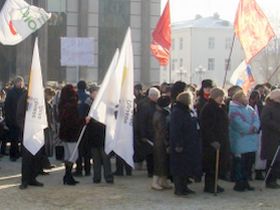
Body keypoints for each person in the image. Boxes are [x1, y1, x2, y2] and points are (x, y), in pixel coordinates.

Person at [170, 91, 201, 196]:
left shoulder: (187, 111)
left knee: (186, 166)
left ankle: (184, 186)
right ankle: (179, 188)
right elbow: (176, 129)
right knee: (179, 167)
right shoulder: (178, 112)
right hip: (181, 143)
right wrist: (178, 144)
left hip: (189, 143)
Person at [200, 87, 230, 194]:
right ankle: (209, 185)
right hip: (212, 142)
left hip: (221, 139)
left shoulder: (219, 107)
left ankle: (215, 183)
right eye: (221, 96)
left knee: (218, 164)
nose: (223, 98)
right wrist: (212, 140)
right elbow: (206, 127)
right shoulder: (208, 108)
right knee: (211, 165)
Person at [58, 84, 89, 185]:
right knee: (73, 155)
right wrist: (84, 120)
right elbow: (74, 121)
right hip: (72, 133)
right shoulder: (71, 106)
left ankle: (67, 176)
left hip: (65, 133)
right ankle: (68, 175)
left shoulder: (62, 104)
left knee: (68, 155)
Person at [229, 91, 260, 191]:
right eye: (244, 97)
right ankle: (239, 183)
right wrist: (249, 129)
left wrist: (255, 127)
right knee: (240, 164)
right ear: (238, 98)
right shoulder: (233, 110)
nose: (247, 98)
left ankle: (246, 181)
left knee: (248, 163)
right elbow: (237, 123)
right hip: (240, 141)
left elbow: (256, 119)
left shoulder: (250, 109)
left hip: (251, 141)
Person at [85, 86, 114, 183]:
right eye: (93, 92)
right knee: (96, 159)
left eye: (95, 92)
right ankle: (96, 177)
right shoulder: (88, 104)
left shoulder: (104, 104)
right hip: (93, 135)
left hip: (103, 134)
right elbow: (84, 117)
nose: (94, 94)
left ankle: (108, 176)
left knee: (105, 158)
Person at [16, 90, 43, 189]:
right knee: (27, 158)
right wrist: (26, 128)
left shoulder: (39, 97)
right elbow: (19, 116)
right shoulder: (24, 98)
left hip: (37, 132)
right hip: (27, 133)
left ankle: (33, 178)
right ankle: (25, 180)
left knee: (36, 156)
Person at [137, 87, 160, 177]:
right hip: (148, 133)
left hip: (153, 132)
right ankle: (151, 172)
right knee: (150, 154)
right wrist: (143, 135)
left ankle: (153, 171)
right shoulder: (145, 106)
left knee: (154, 154)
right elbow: (142, 121)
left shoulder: (152, 104)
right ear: (152, 96)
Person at [261, 89, 280, 189]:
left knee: (278, 160)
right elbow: (266, 120)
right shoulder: (268, 107)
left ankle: (275, 179)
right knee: (272, 159)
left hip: (277, 137)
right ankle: (270, 180)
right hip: (271, 137)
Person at [151, 95, 172, 190]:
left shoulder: (160, 113)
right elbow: (162, 131)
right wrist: (167, 144)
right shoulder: (161, 115)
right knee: (160, 162)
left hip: (159, 141)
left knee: (164, 162)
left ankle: (163, 181)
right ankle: (155, 182)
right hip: (161, 142)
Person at [4, 76, 26, 161]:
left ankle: (22, 153)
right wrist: (8, 119)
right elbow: (7, 107)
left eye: (21, 82)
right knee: (14, 138)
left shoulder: (25, 92)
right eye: (18, 82)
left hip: (23, 119)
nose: (20, 84)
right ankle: (13, 155)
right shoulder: (11, 93)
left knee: (23, 138)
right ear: (15, 83)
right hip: (13, 119)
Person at [73, 80, 91, 177]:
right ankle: (87, 170)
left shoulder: (74, 97)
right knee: (87, 149)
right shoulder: (88, 98)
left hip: (76, 126)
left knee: (78, 148)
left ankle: (79, 169)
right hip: (87, 126)